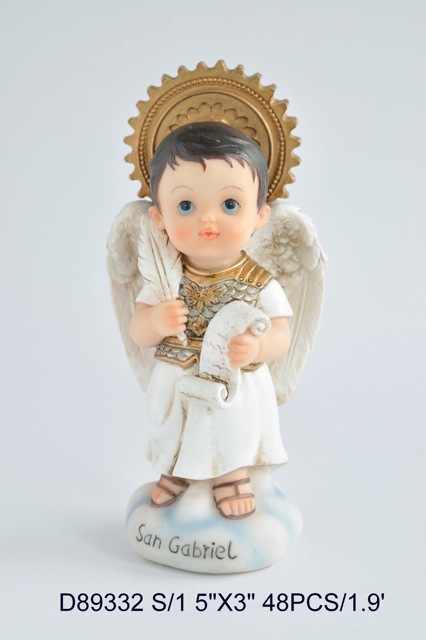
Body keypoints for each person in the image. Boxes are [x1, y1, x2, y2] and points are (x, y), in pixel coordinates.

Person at [129, 122, 293, 520]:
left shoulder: (258, 282)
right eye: (186, 206)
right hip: (178, 370)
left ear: (260, 215)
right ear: (159, 217)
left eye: (230, 205)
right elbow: (138, 331)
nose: (208, 221)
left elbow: (283, 333)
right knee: (176, 423)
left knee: (231, 425)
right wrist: (156, 321)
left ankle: (231, 475)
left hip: (234, 377)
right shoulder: (166, 279)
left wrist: (258, 346)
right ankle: (177, 470)